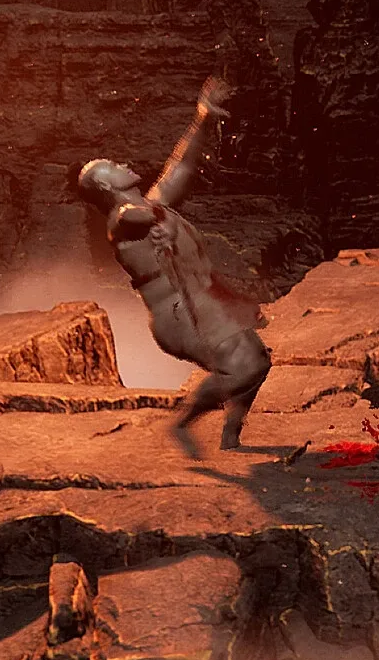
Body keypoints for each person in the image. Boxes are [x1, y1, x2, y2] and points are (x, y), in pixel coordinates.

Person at [77, 78, 270, 459]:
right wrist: (152, 218)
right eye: (112, 166)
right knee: (243, 366)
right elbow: (132, 216)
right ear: (104, 185)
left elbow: (180, 166)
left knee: (258, 360)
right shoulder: (121, 219)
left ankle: (231, 433)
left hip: (201, 301)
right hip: (179, 314)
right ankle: (183, 424)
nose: (122, 164)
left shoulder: (154, 204)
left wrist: (203, 117)